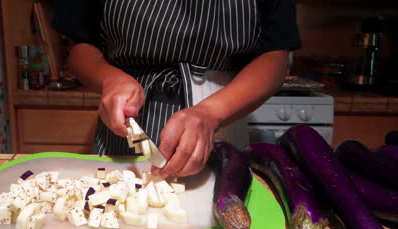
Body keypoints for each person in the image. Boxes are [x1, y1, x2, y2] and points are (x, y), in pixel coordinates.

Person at [52, 0, 301, 178]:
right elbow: (79, 45)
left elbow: (276, 56)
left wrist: (211, 113)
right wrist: (109, 78)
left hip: (226, 107)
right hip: (127, 121)